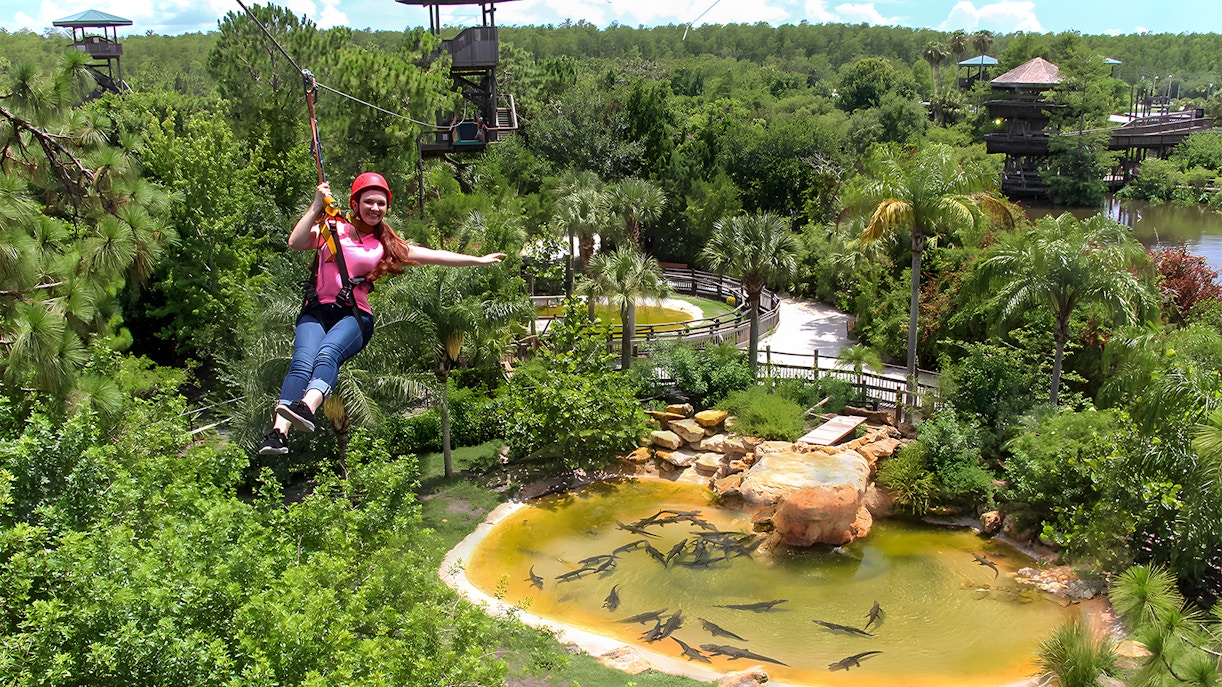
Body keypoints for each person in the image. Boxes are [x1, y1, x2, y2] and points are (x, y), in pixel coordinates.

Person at [259, 172, 505, 455]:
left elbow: (434, 254)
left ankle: (308, 406)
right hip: (315, 310)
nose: (375, 208)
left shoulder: (384, 244)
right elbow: (295, 241)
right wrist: (316, 206)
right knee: (302, 361)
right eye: (369, 202)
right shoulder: (332, 229)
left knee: (327, 354)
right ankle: (278, 434)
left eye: (381, 203)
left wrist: (477, 260)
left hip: (353, 316)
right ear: (355, 202)